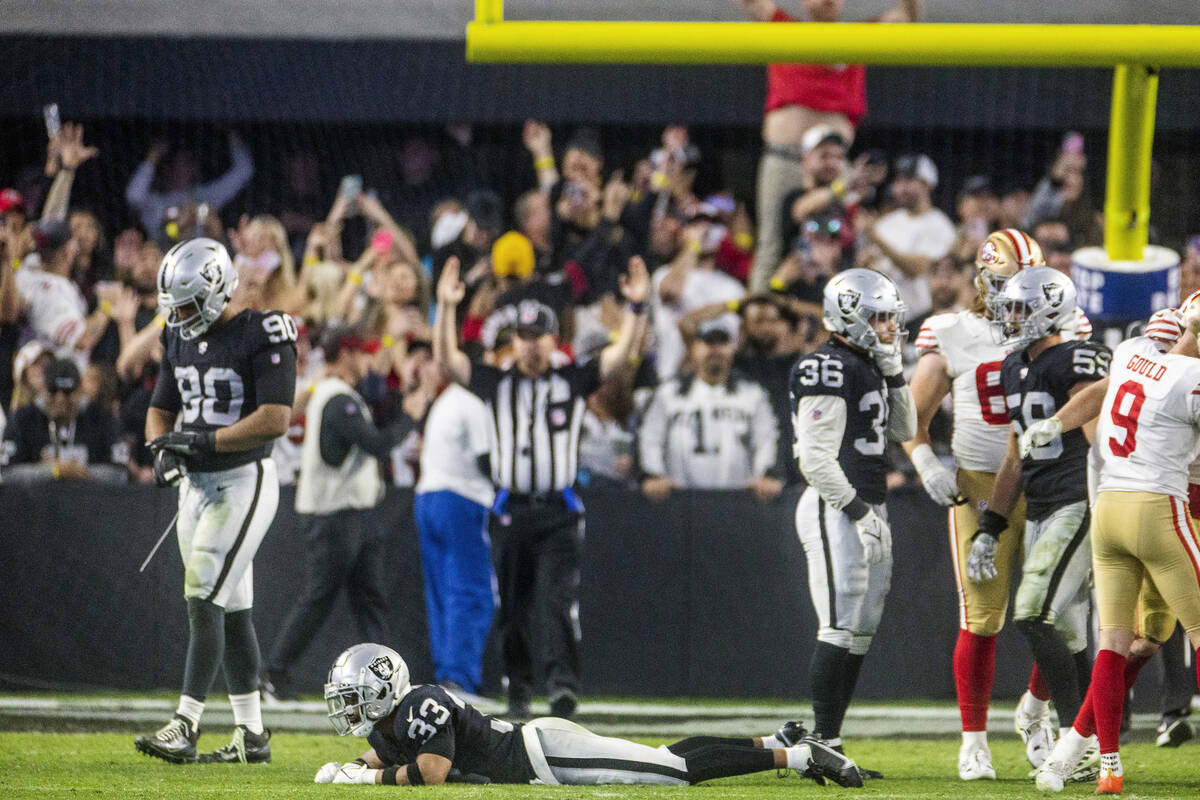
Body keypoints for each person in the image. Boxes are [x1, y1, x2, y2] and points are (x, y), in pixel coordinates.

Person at [903, 230, 1089, 779]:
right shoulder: (952, 331)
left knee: (1061, 614)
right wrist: (926, 463)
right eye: (1013, 286)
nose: (1023, 299)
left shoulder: (1065, 328)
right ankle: (974, 740)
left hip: (1050, 482)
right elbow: (909, 417)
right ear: (986, 280)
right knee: (982, 616)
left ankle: (1035, 713)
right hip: (982, 483)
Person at [433, 255, 649, 720]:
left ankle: (563, 688)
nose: (530, 347)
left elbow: (619, 356)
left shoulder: (570, 380)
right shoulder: (495, 382)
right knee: (512, 606)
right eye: (523, 338)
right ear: (513, 342)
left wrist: (637, 308)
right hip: (510, 507)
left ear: (554, 341)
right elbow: (447, 361)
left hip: (558, 508)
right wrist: (446, 308)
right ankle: (518, 686)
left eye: (538, 338)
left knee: (556, 601)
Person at [1020, 302, 1200, 794]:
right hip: (1163, 509)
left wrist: (1054, 423)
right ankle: (1077, 750)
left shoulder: (1127, 354)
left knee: (1117, 643)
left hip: (1110, 509)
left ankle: (1104, 765)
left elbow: (1102, 393)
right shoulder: (1188, 377)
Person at [134, 237, 297, 765]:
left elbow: (276, 417)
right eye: (172, 307)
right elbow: (161, 407)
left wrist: (205, 441)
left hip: (243, 478)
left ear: (216, 289)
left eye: (185, 305)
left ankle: (186, 724)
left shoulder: (262, 331)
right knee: (230, 611)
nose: (178, 317)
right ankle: (252, 735)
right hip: (197, 488)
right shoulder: (176, 337)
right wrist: (161, 450)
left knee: (203, 590)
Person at [312, 643, 862, 787]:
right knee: (666, 759)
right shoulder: (402, 717)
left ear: (384, 690)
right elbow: (382, 753)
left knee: (673, 771)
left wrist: (370, 779)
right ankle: (772, 739)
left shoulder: (417, 705)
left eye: (355, 696)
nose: (351, 709)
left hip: (546, 754)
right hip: (541, 752)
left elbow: (429, 772)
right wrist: (351, 768)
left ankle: (794, 756)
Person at [971, 267, 1110, 782]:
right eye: (1008, 307)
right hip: (1042, 504)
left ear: (1050, 310)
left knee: (1031, 612)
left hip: (1078, 500)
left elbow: (1100, 394)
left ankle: (1081, 742)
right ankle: (1087, 736)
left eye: (1019, 308)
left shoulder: (1076, 354)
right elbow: (1013, 454)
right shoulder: (1011, 367)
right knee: (1069, 633)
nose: (1009, 317)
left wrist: (1057, 422)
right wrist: (991, 523)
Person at [789, 268, 916, 777]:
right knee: (839, 625)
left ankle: (831, 741)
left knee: (860, 630)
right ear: (852, 315)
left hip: (866, 504)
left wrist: (896, 372)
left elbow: (906, 428)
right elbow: (816, 462)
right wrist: (860, 512)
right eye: (881, 318)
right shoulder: (825, 366)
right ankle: (822, 744)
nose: (889, 327)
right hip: (835, 506)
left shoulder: (869, 365)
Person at [260, 326, 416, 702]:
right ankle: (274, 673)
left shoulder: (333, 394)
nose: (367, 362)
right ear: (346, 354)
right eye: (362, 354)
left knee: (370, 600)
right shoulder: (335, 398)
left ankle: (385, 680)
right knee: (320, 597)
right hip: (335, 517)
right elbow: (375, 443)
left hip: (354, 514)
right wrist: (409, 417)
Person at [738, 0, 920, 293]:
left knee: (844, 241)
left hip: (836, 168)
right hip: (784, 160)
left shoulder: (857, 37)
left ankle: (842, 314)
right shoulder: (784, 28)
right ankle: (757, 314)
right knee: (771, 244)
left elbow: (907, 18)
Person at [414, 362, 497, 701]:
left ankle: (447, 676)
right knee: (470, 590)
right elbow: (485, 460)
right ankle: (458, 679)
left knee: (442, 592)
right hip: (461, 499)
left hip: (428, 497)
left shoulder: (444, 402)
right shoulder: (471, 403)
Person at [638, 316, 781, 501]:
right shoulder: (668, 394)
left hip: (738, 503)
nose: (715, 349)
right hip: (677, 503)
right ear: (694, 348)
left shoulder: (753, 395)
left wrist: (766, 475)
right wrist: (653, 475)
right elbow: (650, 437)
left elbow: (766, 439)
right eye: (708, 342)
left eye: (722, 343)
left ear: (732, 349)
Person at [858, 154, 956, 324]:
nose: (902, 187)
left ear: (927, 184)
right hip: (881, 318)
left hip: (917, 318)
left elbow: (919, 269)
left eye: (910, 181)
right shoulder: (887, 223)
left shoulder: (940, 225)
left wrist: (878, 241)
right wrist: (863, 263)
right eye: (899, 181)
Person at [2, 357, 126, 484]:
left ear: (80, 390)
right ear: (43, 389)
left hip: (90, 500)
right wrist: (54, 471)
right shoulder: (23, 419)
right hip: (37, 501)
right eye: (53, 391)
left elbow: (120, 473)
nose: (60, 398)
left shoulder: (102, 418)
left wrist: (79, 472)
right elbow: (7, 473)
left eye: (68, 392)